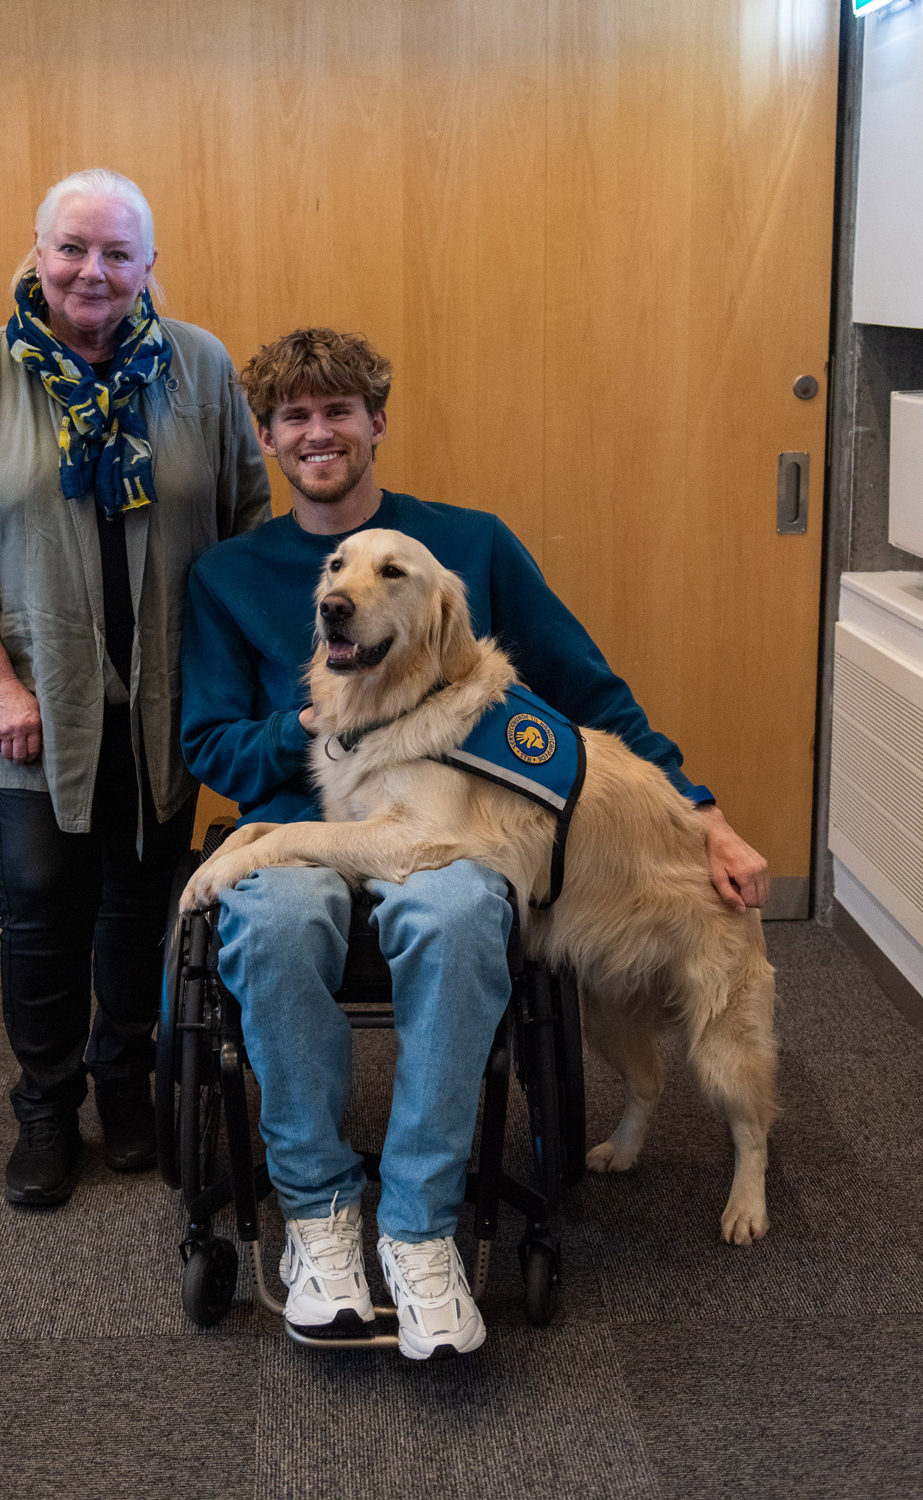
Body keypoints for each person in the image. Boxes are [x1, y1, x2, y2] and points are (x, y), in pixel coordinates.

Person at [180, 327, 768, 1359]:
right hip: (300, 818)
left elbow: (585, 690)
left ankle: (418, 1227)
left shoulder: (471, 548)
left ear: (375, 424)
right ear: (269, 438)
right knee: (268, 920)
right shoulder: (230, 576)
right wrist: (312, 726)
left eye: (338, 412)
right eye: (295, 418)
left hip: (451, 837)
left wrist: (702, 809)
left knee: (456, 913)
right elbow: (213, 743)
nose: (319, 433)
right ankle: (319, 1220)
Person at [0, 169, 270, 1207]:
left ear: (149, 266)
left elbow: (246, 520)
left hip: (171, 694)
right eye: (73, 248)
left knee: (140, 896)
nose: (93, 271)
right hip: (33, 697)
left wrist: (234, 679)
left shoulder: (196, 366)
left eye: (118, 253)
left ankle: (124, 1077)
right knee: (39, 905)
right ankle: (45, 1103)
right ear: (37, 253)